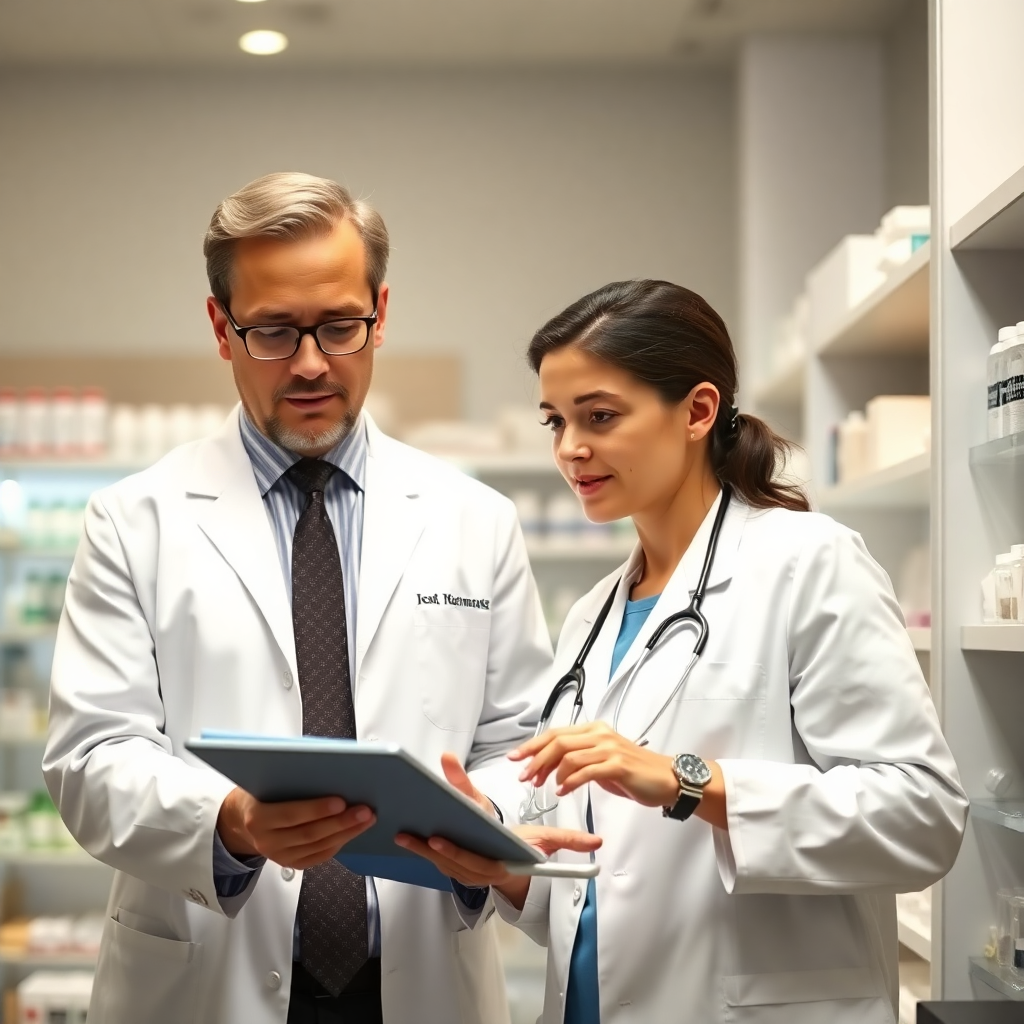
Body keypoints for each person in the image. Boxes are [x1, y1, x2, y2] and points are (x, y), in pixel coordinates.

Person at [42, 172, 562, 1024]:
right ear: (222, 328)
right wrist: (231, 820)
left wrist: (488, 812)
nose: (314, 362)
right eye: (276, 331)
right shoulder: (135, 519)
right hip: (206, 972)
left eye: (341, 327)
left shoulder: (476, 519)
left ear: (380, 315)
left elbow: (524, 742)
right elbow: (92, 757)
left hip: (423, 971)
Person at [403, 279, 969, 1024]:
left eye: (599, 416)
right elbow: (598, 887)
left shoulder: (809, 563)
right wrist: (499, 861)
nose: (571, 449)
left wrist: (688, 782)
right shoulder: (591, 617)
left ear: (699, 410)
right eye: (556, 422)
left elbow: (921, 818)